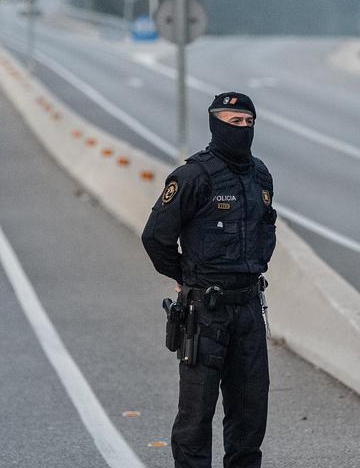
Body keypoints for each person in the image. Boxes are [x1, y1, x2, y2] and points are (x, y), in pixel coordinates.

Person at [141, 91, 276, 468]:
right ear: (216, 123)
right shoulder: (192, 176)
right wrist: (186, 277)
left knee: (250, 415)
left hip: (248, 306)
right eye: (235, 122)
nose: (243, 129)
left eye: (249, 122)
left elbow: (267, 225)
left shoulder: (260, 175)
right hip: (206, 312)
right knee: (196, 418)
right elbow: (156, 237)